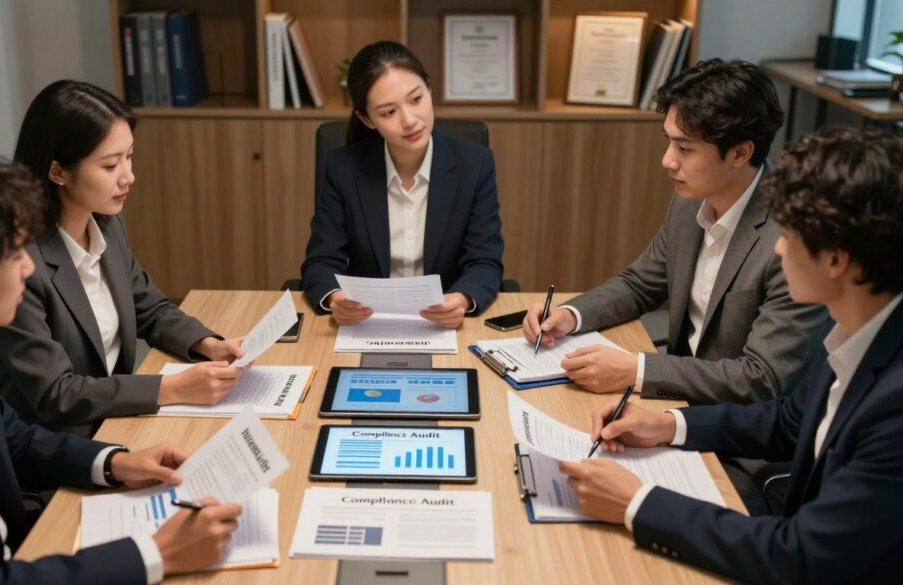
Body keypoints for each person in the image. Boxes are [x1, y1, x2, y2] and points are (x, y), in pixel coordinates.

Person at [0, 147, 242, 584]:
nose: (29, 265)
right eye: (15, 253)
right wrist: (156, 554)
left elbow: (15, 442)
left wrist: (114, 462)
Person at [558, 127, 903, 583]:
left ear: (836, 260)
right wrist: (667, 425)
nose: (778, 247)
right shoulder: (860, 331)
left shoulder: (895, 407)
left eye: (790, 235)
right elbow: (788, 422)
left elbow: (800, 557)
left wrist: (637, 503)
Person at [523, 59, 827, 404]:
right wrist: (570, 315)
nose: (667, 160)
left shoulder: (794, 240)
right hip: (677, 399)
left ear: (740, 152)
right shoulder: (689, 201)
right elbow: (640, 285)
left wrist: (636, 371)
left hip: (740, 434)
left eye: (684, 148)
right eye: (668, 142)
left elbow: (762, 378)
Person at [0, 80, 247, 437]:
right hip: (56, 451)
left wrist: (209, 345)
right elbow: (54, 394)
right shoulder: (17, 264)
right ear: (57, 171)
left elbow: (150, 307)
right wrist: (172, 389)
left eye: (130, 157)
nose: (129, 177)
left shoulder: (106, 223)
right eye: (110, 166)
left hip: (116, 422)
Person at [301, 41, 504, 329]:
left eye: (416, 99)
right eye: (388, 113)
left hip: (443, 325)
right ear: (366, 119)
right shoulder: (343, 168)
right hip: (368, 324)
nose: (410, 120)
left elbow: (485, 261)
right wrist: (335, 299)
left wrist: (461, 299)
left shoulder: (475, 164)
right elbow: (321, 261)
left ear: (429, 89)